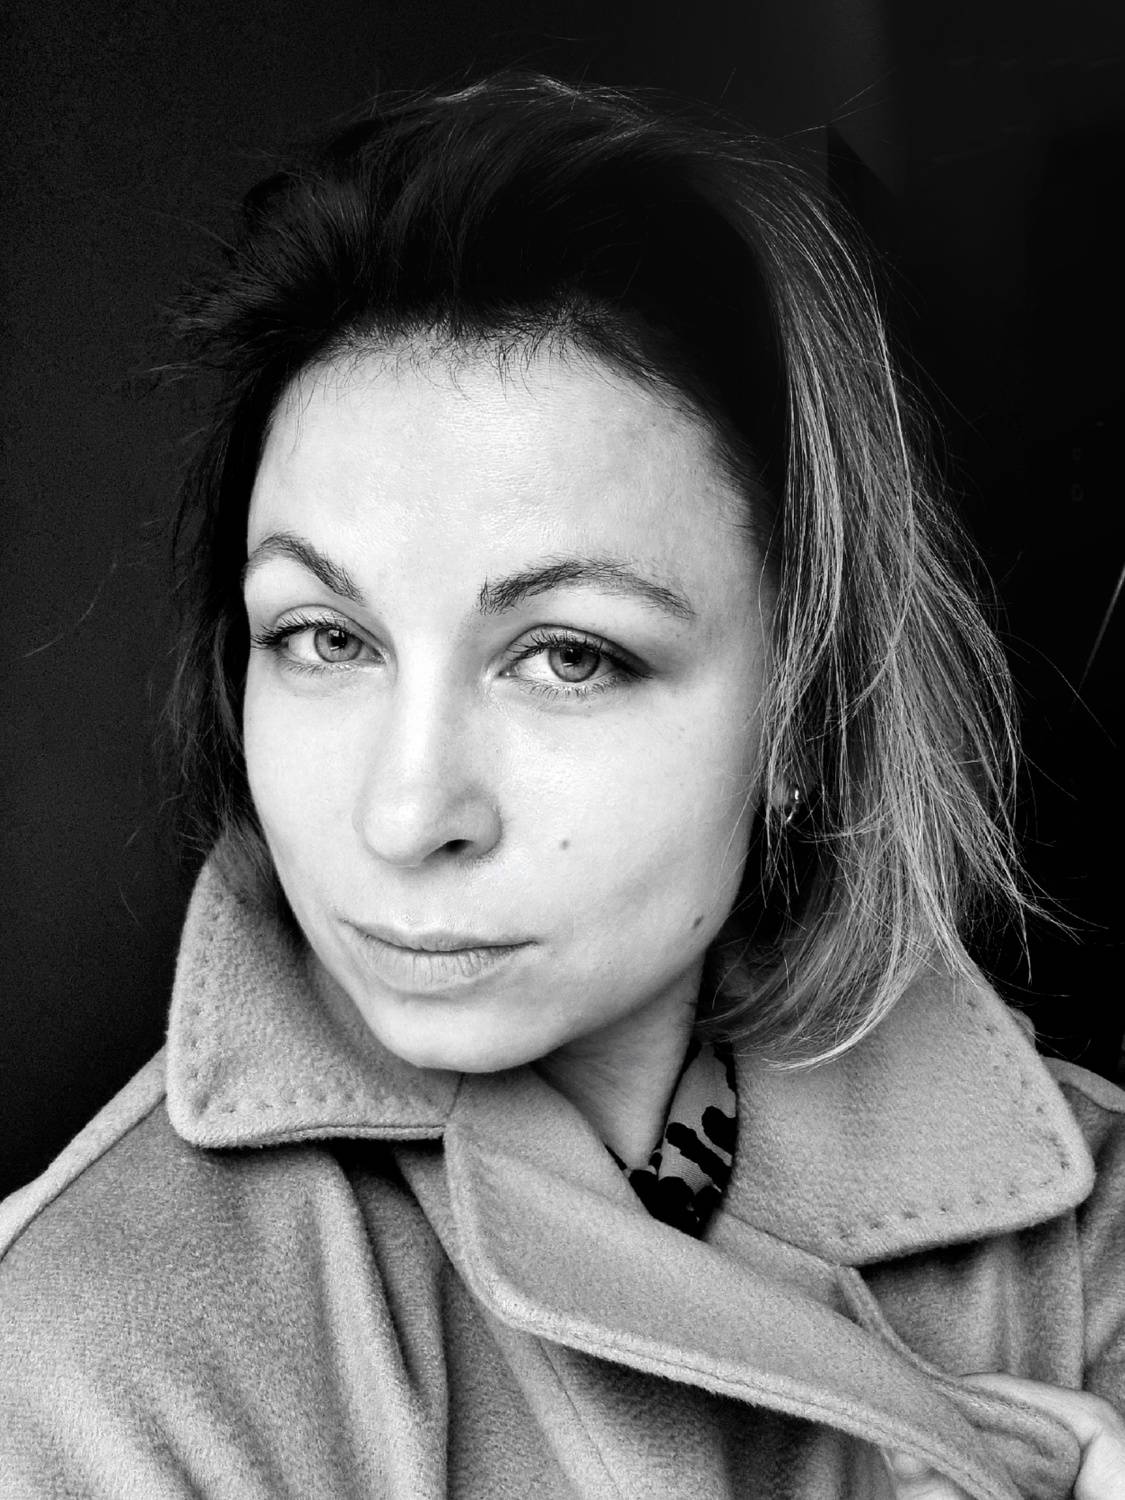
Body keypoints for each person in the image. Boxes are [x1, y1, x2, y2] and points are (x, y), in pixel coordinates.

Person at [1, 72, 1122, 1499]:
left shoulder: (1075, 1216)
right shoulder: (88, 1355)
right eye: (325, 639)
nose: (405, 815)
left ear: (799, 702)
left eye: (567, 657)